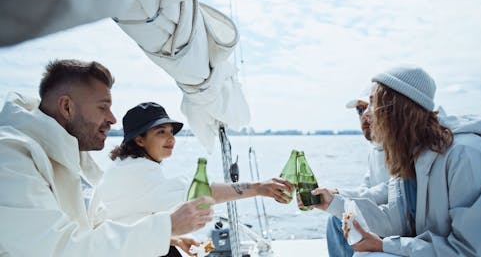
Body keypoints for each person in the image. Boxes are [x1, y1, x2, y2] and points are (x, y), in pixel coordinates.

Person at [0, 59, 217, 256]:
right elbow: (58, 249)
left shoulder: (73, 159)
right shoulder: (10, 158)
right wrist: (166, 226)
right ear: (67, 107)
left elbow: (96, 230)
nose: (112, 119)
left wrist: (168, 238)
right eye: (103, 107)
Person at [318, 66, 481, 256]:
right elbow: (394, 221)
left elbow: (467, 250)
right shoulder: (414, 157)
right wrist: (332, 203)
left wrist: (384, 246)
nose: (366, 114)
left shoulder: (466, 156)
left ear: (397, 109)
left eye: (373, 104)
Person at [94, 102, 294, 256]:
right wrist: (258, 188)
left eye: (171, 132)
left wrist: (175, 239)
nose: (171, 139)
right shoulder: (139, 171)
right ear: (139, 139)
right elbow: (202, 193)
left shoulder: (123, 166)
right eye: (160, 132)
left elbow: (129, 220)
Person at [323, 88, 391, 257]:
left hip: (395, 223)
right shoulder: (375, 149)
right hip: (383, 215)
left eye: (369, 107)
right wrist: (334, 196)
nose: (364, 115)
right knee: (336, 219)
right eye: (359, 110)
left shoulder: (400, 148)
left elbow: (389, 191)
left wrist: (338, 196)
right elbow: (366, 187)